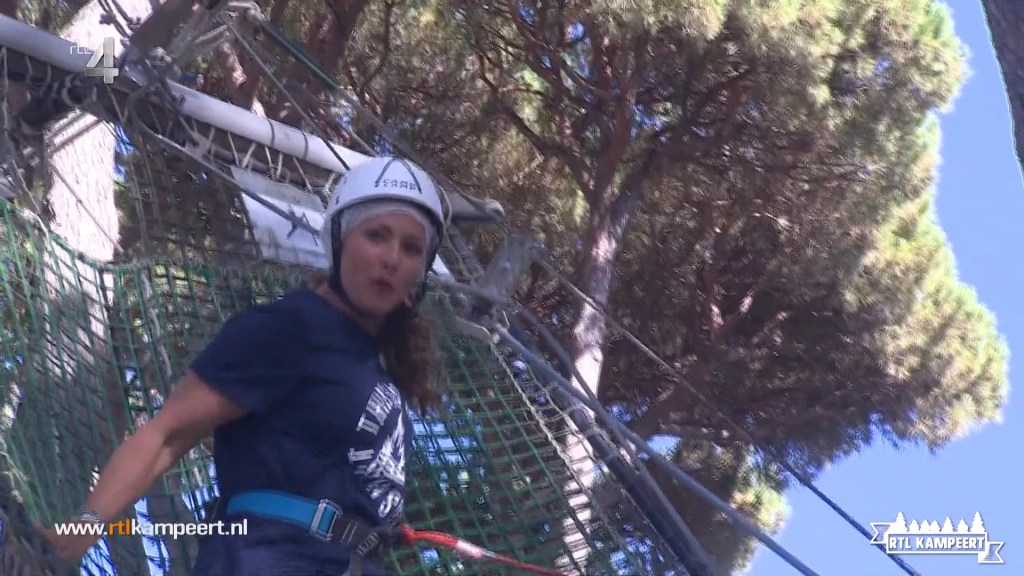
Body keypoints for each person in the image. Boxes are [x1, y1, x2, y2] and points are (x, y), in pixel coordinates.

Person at [39, 156, 450, 576]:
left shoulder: (376, 368)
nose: (392, 258)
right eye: (377, 235)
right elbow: (167, 434)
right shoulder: (292, 327)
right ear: (339, 240)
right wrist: (80, 529)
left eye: (411, 248)